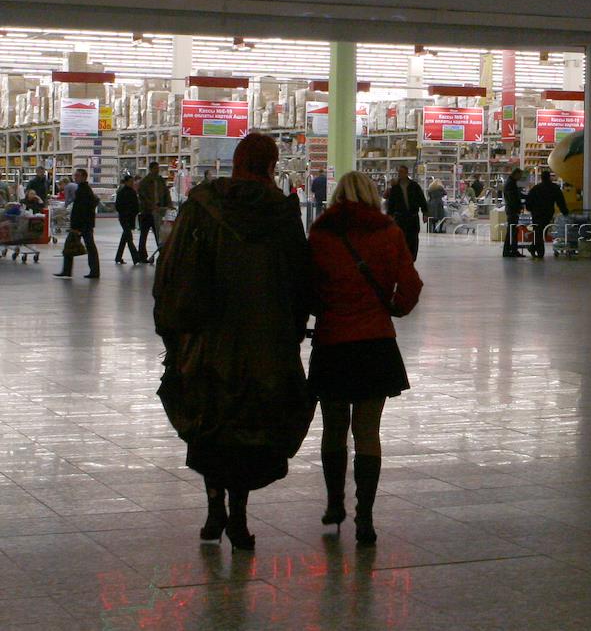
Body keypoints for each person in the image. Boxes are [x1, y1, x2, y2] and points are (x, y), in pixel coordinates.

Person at [152, 133, 313, 551]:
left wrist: (173, 329)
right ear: (271, 165)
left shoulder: (202, 205)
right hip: (264, 346)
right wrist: (292, 331)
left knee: (211, 425)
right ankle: (238, 517)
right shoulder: (281, 213)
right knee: (250, 432)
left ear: (236, 161)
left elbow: (173, 271)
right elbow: (301, 279)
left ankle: (213, 509)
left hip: (208, 342)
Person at [308, 171, 422, 545]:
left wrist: (324, 310)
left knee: (334, 427)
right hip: (375, 343)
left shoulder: (321, 234)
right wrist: (395, 308)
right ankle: (365, 518)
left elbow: (306, 287)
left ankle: (334, 503)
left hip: (333, 343)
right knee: (368, 430)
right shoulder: (389, 232)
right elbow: (410, 285)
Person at [54, 168, 99, 280]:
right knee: (87, 246)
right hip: (84, 224)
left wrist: (76, 226)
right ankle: (70, 270)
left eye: (77, 175)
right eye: (75, 175)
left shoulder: (83, 191)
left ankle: (71, 270)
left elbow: (82, 210)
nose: (75, 177)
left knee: (83, 246)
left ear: (84, 177)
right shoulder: (82, 189)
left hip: (82, 225)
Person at [384, 165, 428, 261]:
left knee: (413, 239)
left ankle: (412, 258)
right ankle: (402, 257)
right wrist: (389, 216)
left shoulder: (414, 186)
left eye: (402, 172)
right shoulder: (395, 187)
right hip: (400, 217)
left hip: (412, 217)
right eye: (399, 172)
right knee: (400, 238)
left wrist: (425, 212)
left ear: (407, 173)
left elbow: (421, 199)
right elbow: (391, 202)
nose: (400, 174)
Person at [526, 171, 569, 259]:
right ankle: (538, 251)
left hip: (536, 213)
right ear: (549, 177)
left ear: (541, 178)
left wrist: (530, 209)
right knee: (542, 231)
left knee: (538, 231)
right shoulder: (554, 188)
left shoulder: (536, 188)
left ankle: (535, 249)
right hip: (547, 213)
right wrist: (565, 211)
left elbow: (529, 200)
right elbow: (560, 201)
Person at [136, 161, 172, 264]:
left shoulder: (160, 181)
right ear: (151, 169)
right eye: (156, 168)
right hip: (146, 212)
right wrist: (151, 206)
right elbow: (143, 196)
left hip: (158, 211)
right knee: (144, 234)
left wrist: (168, 204)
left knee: (159, 235)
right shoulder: (144, 182)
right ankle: (142, 256)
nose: (157, 170)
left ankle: (162, 254)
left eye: (158, 168)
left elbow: (166, 193)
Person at [114, 174, 139, 265]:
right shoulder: (129, 192)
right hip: (127, 218)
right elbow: (135, 205)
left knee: (125, 238)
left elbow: (118, 206)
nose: (132, 183)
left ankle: (118, 257)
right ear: (127, 182)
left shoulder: (123, 192)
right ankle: (136, 258)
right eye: (131, 182)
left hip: (125, 217)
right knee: (129, 238)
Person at [502, 167, 526, 258]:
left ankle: (511, 250)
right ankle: (509, 250)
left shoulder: (511, 183)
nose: (520, 177)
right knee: (512, 231)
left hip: (511, 209)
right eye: (520, 175)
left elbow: (516, 195)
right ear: (516, 174)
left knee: (513, 231)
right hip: (512, 210)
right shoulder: (511, 184)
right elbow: (513, 198)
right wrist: (519, 206)